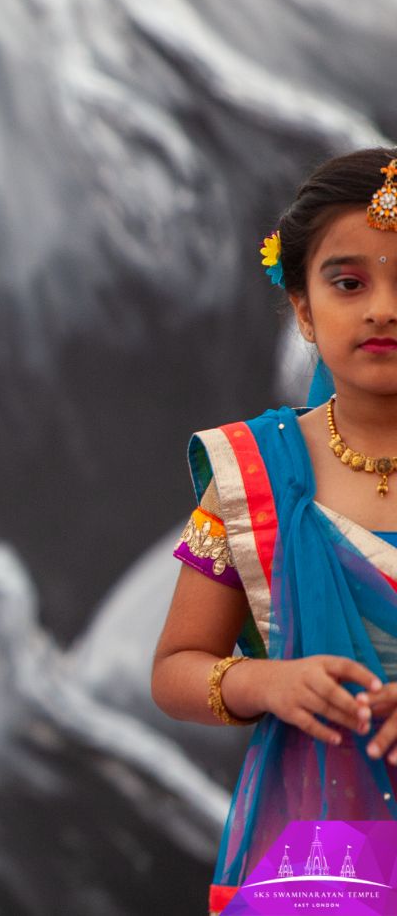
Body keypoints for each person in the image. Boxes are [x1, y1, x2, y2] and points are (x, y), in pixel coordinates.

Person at [151, 148, 397, 915]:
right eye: (348, 282)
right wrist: (269, 682)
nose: (381, 307)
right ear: (301, 308)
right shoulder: (253, 476)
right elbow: (176, 668)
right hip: (327, 858)